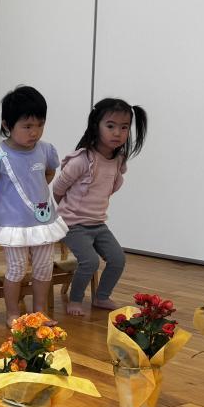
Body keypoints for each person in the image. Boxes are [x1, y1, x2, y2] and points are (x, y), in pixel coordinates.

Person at [0, 86, 68, 320]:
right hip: (14, 225)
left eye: (40, 125)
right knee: (17, 268)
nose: (35, 132)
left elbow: (49, 173)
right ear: (7, 125)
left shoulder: (46, 150)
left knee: (44, 267)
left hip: (42, 223)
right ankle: (13, 314)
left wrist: (35, 194)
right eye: (27, 126)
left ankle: (40, 312)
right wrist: (5, 205)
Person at [54, 98, 147, 316]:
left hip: (97, 223)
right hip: (73, 224)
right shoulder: (82, 160)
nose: (117, 133)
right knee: (90, 262)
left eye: (124, 128)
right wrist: (68, 212)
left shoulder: (118, 160)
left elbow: (110, 188)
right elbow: (58, 189)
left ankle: (101, 296)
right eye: (110, 126)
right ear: (96, 126)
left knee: (118, 259)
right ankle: (75, 300)